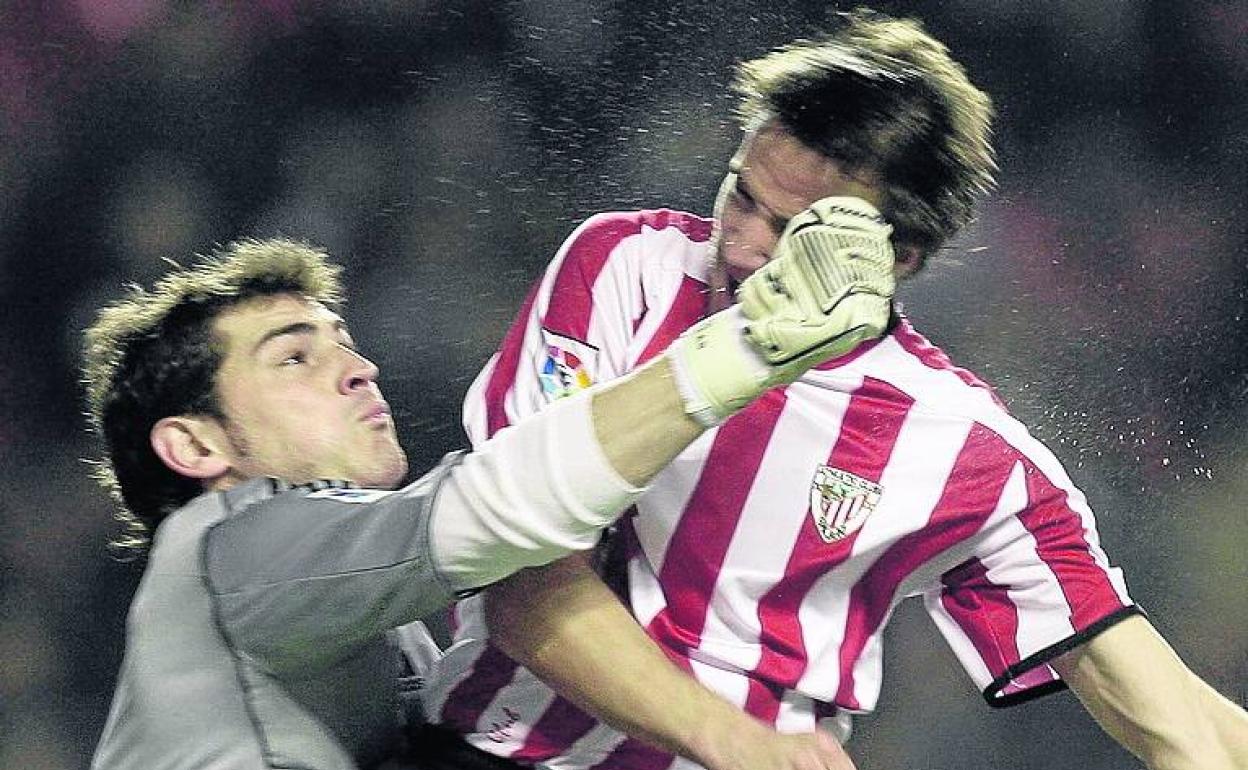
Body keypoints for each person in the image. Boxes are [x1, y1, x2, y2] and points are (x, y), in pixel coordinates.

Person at [420, 9, 1248, 770]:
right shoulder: (621, 270)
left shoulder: (961, 446)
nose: (741, 246)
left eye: (794, 231)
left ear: (900, 259)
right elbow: (518, 576)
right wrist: (735, 742)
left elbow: (1181, 723)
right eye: (740, 193)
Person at [84, 226, 895, 770]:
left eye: (346, 342)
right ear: (195, 445)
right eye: (294, 359)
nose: (357, 369)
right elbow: (494, 509)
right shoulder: (229, 550)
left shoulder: (368, 617)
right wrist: (746, 350)